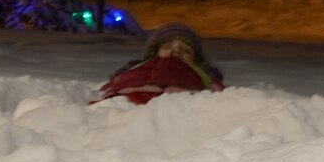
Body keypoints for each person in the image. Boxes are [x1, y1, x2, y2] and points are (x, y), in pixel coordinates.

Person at [91, 23, 225, 106]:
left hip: (178, 103)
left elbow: (219, 94)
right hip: (129, 98)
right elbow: (112, 86)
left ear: (196, 59)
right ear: (153, 52)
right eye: (167, 46)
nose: (176, 51)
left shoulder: (201, 72)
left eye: (186, 50)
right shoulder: (138, 66)